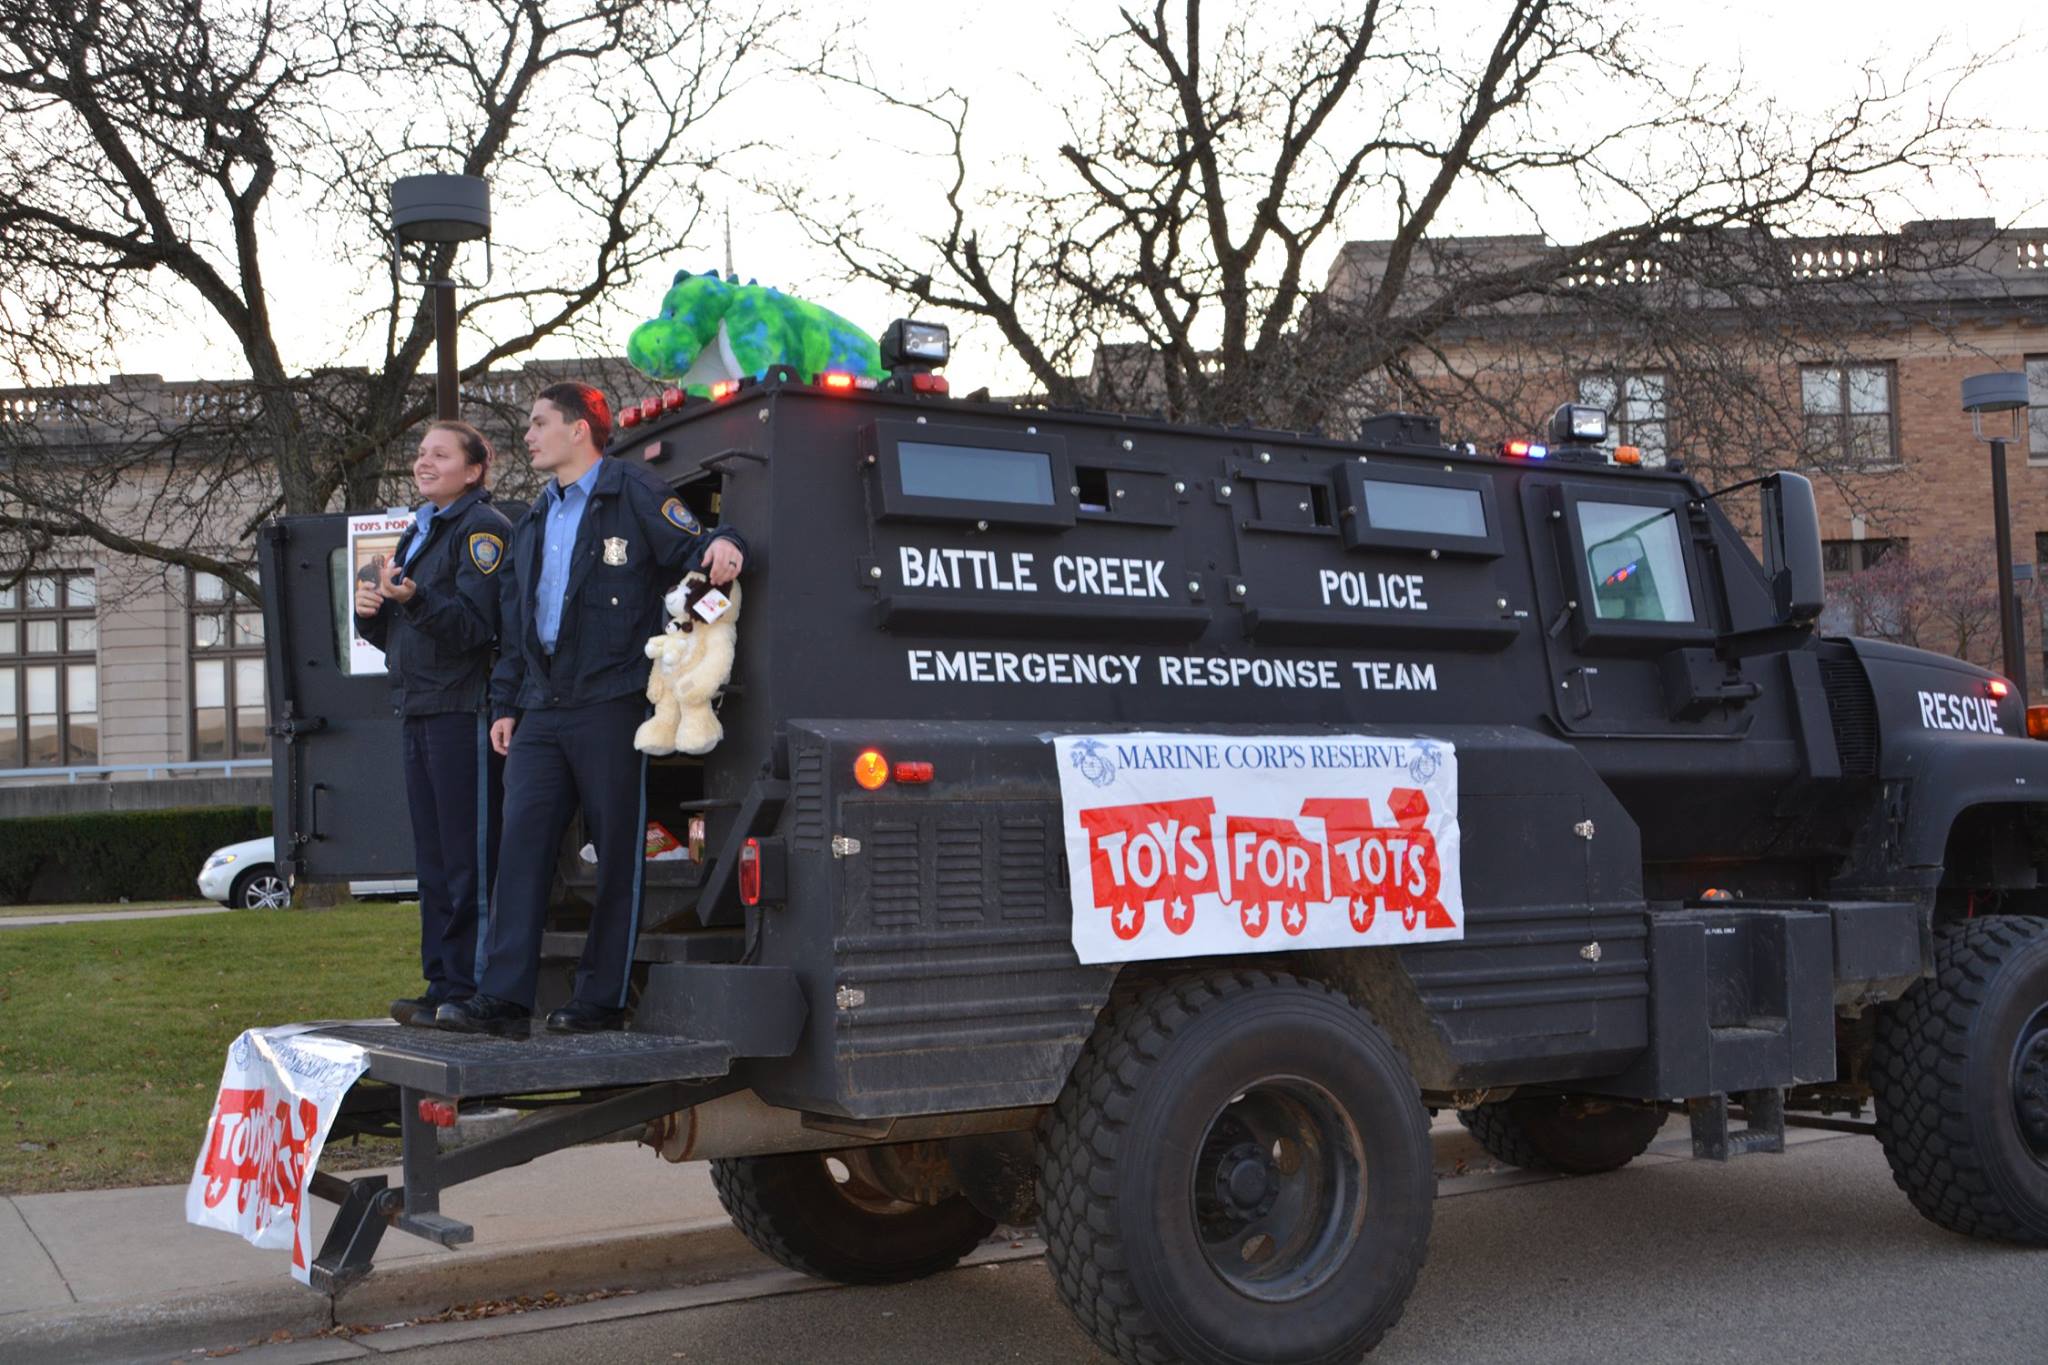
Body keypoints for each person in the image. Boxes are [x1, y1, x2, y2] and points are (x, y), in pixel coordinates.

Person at [438, 383, 745, 1036]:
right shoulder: (534, 522)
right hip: (541, 712)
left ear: (580, 430)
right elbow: (518, 624)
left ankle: (601, 997)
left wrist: (726, 543)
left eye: (540, 422)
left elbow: (693, 547)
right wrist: (507, 703)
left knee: (615, 855)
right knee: (520, 851)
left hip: (609, 703)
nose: (529, 434)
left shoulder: (629, 489)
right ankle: (504, 998)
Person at [354, 419, 513, 1026]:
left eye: (440, 455)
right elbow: (399, 636)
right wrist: (371, 614)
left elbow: (477, 629)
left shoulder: (483, 531)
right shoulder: (415, 534)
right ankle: (442, 983)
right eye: (420, 453)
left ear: (473, 471)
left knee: (470, 857)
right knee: (436, 861)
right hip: (419, 707)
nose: (424, 462)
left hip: (464, 711)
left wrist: (412, 598)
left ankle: (474, 988)